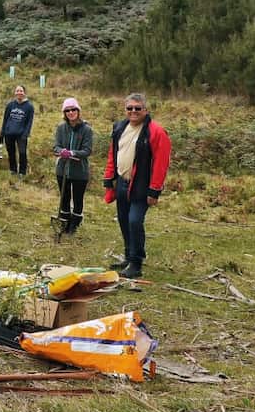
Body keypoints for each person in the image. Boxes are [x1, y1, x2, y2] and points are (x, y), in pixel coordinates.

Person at [104, 93, 171, 279]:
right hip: (122, 183)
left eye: (137, 108)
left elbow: (161, 163)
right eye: (129, 108)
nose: (133, 111)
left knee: (134, 221)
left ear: (145, 110)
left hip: (141, 186)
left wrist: (154, 190)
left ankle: (136, 262)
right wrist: (109, 177)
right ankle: (127, 257)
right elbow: (113, 152)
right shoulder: (119, 127)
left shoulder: (156, 132)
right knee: (124, 220)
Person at [53, 97, 94, 234]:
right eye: (67, 110)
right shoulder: (61, 128)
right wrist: (61, 151)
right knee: (64, 197)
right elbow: (56, 146)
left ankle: (75, 223)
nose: (71, 112)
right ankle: (64, 221)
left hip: (79, 171)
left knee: (77, 198)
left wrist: (72, 153)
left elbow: (87, 151)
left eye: (73, 109)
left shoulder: (86, 130)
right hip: (62, 170)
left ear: (78, 111)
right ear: (64, 113)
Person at [0, 85, 35, 178]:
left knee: (22, 153)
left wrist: (26, 134)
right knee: (11, 152)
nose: (19, 92)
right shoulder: (10, 105)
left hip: (21, 135)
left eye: (21, 91)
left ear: (24, 93)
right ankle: (13, 170)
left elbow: (29, 121)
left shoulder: (29, 106)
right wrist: (2, 132)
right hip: (9, 133)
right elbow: (5, 119)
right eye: (17, 91)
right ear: (15, 93)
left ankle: (22, 172)